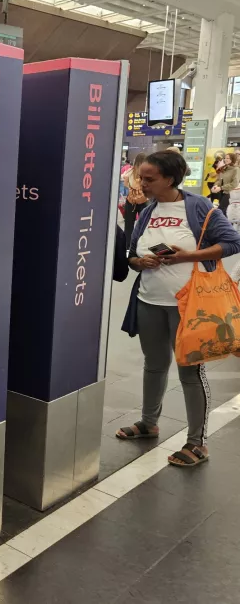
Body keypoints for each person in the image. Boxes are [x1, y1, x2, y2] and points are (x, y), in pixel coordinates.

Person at [119, 150, 240, 468]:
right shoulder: (147, 209)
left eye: (149, 179)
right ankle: (148, 423)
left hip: (190, 305)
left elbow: (232, 242)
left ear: (169, 179)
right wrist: (139, 261)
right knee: (154, 364)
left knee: (190, 371)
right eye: (141, 177)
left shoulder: (196, 206)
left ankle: (197, 442)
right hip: (149, 300)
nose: (142, 184)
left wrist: (186, 256)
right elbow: (132, 253)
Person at [121, 152, 147, 246]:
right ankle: (140, 244)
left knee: (128, 225)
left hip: (131, 201)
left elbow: (125, 183)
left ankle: (127, 246)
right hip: (144, 201)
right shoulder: (147, 172)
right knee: (143, 224)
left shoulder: (130, 171)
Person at [213, 152, 240, 221]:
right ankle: (226, 228)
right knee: (224, 212)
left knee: (221, 210)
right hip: (222, 193)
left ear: (232, 159)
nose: (226, 159)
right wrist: (216, 185)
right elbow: (219, 180)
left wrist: (221, 187)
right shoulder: (223, 169)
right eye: (225, 158)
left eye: (228, 158)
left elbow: (235, 183)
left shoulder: (236, 169)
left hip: (230, 193)